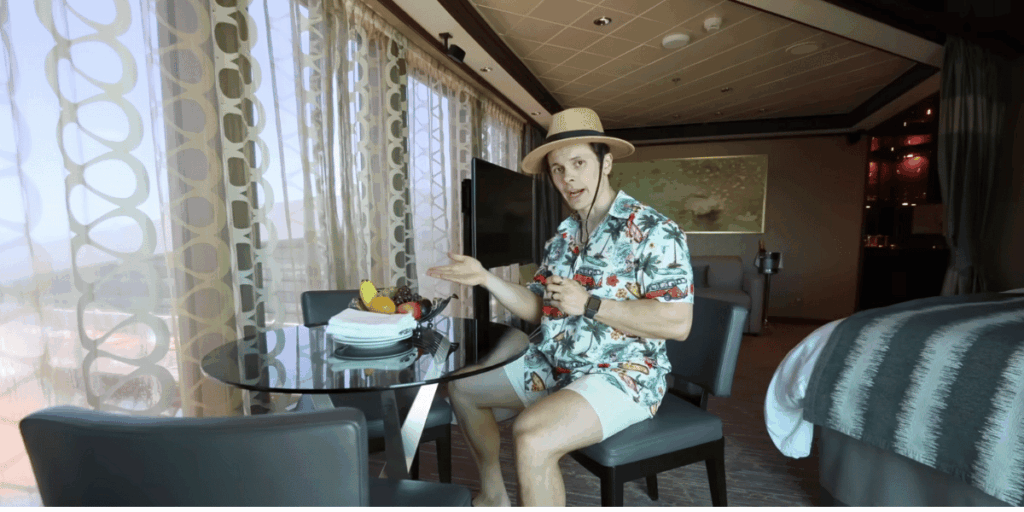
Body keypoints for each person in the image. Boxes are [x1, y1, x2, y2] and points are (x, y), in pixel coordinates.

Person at [427, 107, 694, 507]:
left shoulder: (656, 230)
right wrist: (487, 278)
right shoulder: (565, 235)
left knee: (532, 436)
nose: (568, 177)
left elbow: (678, 323)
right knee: (462, 387)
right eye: (557, 169)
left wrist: (589, 304)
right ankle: (494, 494)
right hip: (557, 365)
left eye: (579, 162)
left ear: (606, 163)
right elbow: (539, 309)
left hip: (623, 374)